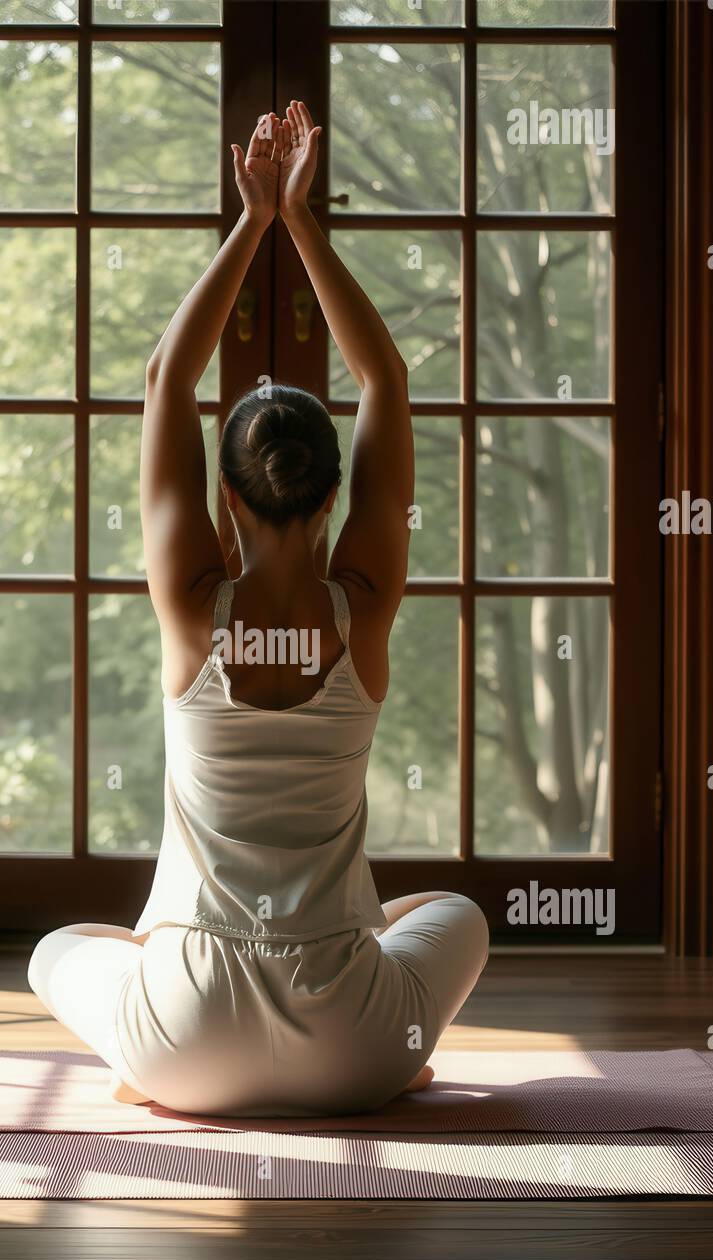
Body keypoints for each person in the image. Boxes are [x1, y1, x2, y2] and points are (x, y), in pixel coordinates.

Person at [28, 102, 488, 1117]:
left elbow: (166, 377)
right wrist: (302, 220)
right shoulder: (362, 608)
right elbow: (387, 379)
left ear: (225, 498)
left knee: (61, 948)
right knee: (453, 912)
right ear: (333, 498)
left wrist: (252, 219)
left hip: (188, 1039)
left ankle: (148, 1061)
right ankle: (390, 1052)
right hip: (357, 1046)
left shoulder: (193, 609)